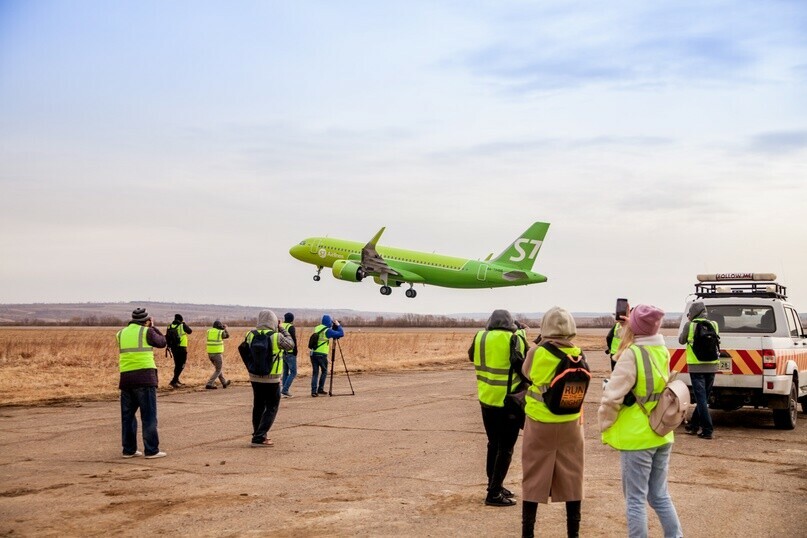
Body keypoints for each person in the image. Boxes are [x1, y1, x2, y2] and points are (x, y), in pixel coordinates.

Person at [599, 304, 683, 538]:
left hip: (637, 437)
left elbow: (612, 396)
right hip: (662, 430)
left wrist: (604, 423)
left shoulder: (632, 354)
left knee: (635, 500)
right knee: (659, 495)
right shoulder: (662, 350)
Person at [521, 307, 585, 538]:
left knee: (533, 476)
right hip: (571, 423)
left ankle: (528, 532)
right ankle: (573, 533)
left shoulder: (537, 352)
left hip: (539, 422)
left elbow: (526, 374)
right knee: (573, 476)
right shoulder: (578, 353)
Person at [468, 309, 524, 507]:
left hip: (486, 399)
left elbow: (470, 356)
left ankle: (495, 485)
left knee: (493, 444)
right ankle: (493, 494)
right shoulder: (513, 338)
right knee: (506, 447)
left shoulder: (480, 336)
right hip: (508, 402)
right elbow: (521, 366)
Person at [116, 307, 167, 459]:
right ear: (146, 321)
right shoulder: (147, 331)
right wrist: (153, 327)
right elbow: (162, 342)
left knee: (128, 416)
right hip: (145, 377)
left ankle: (128, 449)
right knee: (149, 415)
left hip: (126, 378)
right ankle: (151, 450)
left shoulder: (120, 333)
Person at [246, 310, 294, 447]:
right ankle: (260, 437)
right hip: (272, 378)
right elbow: (290, 345)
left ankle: (257, 433)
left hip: (254, 377)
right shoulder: (276, 336)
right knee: (272, 406)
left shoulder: (250, 335)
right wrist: (282, 329)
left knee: (258, 406)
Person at [678, 301, 719, 440]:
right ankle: (694, 425)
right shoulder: (714, 325)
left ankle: (707, 429)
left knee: (701, 399)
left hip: (696, 366)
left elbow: (681, 341)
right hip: (712, 365)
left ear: (693, 312)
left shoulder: (690, 325)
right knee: (704, 397)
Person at [309, 314, 344, 397]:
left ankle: (314, 391)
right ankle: (320, 388)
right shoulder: (327, 331)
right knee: (324, 371)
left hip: (313, 353)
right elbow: (341, 333)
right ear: (329, 322)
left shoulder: (317, 328)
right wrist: (338, 325)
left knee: (315, 373)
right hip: (322, 354)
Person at [167, 314, 193, 388]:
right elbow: (190, 331)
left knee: (177, 364)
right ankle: (174, 380)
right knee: (182, 365)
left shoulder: (169, 326)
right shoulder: (182, 325)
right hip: (181, 347)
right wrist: (184, 324)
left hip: (173, 348)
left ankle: (176, 379)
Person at [205, 320, 231, 389]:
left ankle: (224, 383)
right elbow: (227, 336)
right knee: (218, 370)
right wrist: (224, 329)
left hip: (210, 354)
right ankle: (209, 383)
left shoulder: (209, 331)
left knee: (218, 369)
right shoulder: (220, 332)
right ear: (219, 326)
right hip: (217, 354)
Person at [606, 303, 630, 371]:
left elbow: (609, 337)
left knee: (615, 373)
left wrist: (609, 348)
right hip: (626, 353)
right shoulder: (633, 327)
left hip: (614, 353)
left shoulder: (617, 325)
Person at [280, 312, 298, 397]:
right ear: (292, 319)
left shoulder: (281, 326)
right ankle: (285, 389)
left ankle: (283, 390)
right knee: (293, 372)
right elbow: (293, 339)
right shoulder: (290, 327)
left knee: (285, 372)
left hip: (282, 352)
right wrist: (295, 350)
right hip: (290, 352)